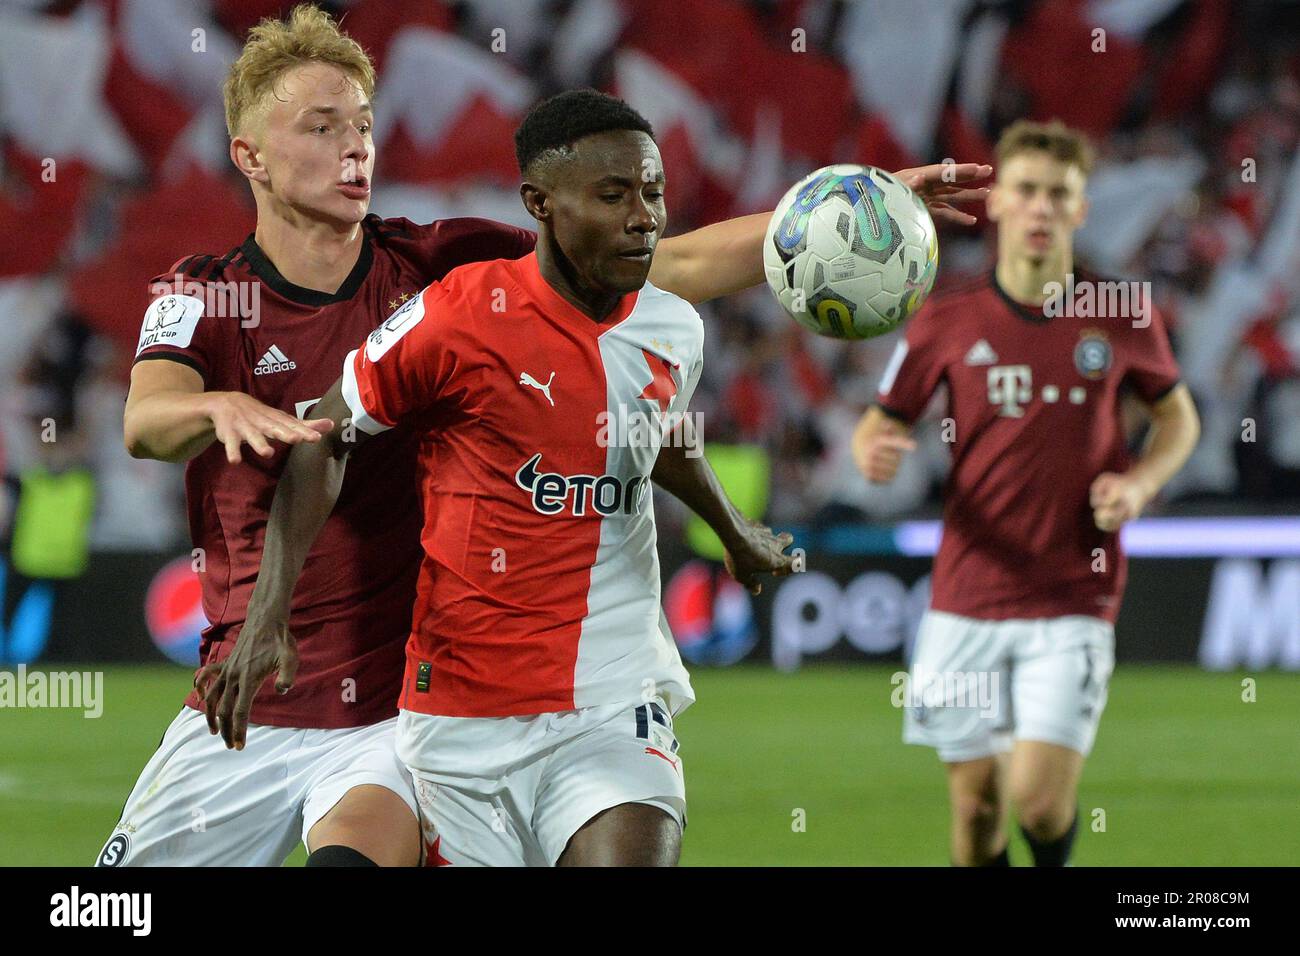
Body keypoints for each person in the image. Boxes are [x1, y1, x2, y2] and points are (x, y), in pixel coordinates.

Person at [103, 3, 989, 868]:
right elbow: (148, 420)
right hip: (243, 695)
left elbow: (665, 259)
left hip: (388, 721)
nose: (355, 147)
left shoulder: (439, 266)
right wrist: (212, 410)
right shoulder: (203, 292)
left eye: (365, 126)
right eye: (322, 126)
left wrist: (843, 210)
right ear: (248, 155)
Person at [224, 88, 798, 866]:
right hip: (461, 714)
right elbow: (325, 435)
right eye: (613, 194)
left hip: (612, 695)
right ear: (540, 203)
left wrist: (732, 530)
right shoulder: (456, 317)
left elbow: (650, 430)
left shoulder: (673, 327)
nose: (644, 216)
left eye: (653, 191)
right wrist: (269, 609)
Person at [853, 120, 1200, 866]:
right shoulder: (944, 318)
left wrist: (1139, 483)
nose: (1041, 208)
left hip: (1074, 591)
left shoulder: (1123, 311)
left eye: (1059, 194)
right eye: (1027, 190)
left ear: (1079, 210)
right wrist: (874, 449)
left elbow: (1180, 420)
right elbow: (879, 421)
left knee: (1040, 803)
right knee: (977, 815)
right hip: (966, 594)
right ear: (999, 202)